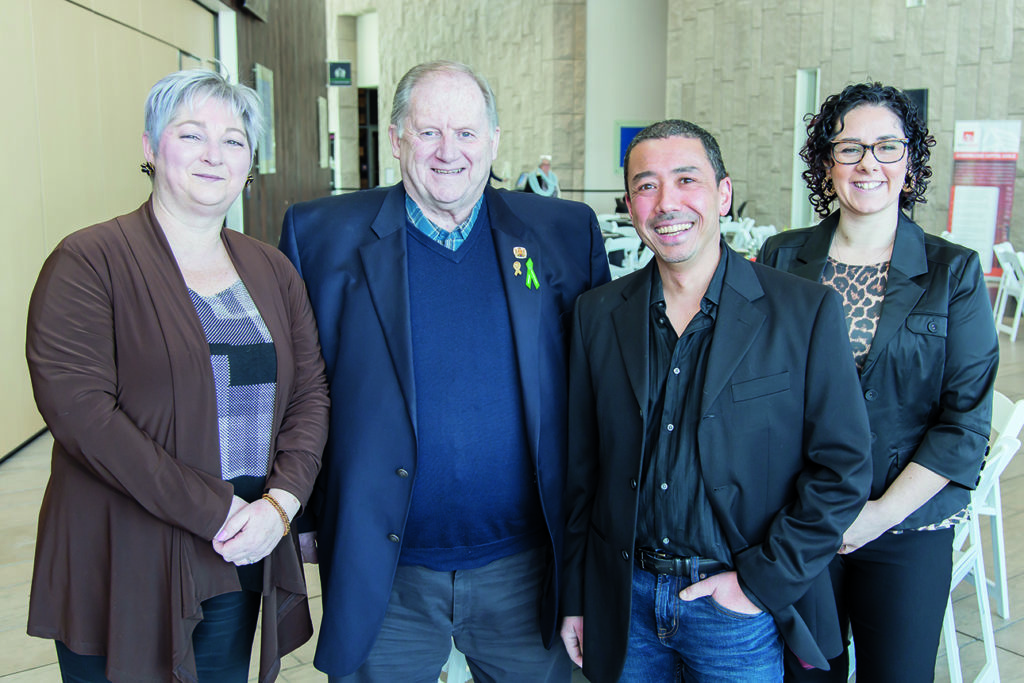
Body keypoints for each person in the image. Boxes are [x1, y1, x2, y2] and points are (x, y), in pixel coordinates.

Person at [279, 60, 610, 682]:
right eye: (428, 132)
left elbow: (598, 395)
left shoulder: (563, 234)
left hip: (526, 568)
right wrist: (303, 512)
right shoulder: (320, 236)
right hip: (386, 571)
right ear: (398, 139)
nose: (448, 152)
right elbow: (300, 389)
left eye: (466, 132)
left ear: (494, 140)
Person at [25, 69, 329, 682]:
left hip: (240, 548)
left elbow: (309, 395)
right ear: (150, 148)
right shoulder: (88, 261)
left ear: (250, 162)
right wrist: (216, 511)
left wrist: (281, 504)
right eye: (191, 135)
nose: (214, 156)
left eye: (234, 141)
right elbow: (84, 415)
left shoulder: (271, 269)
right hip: (123, 554)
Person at [559, 119, 874, 682]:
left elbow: (844, 467)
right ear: (629, 203)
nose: (666, 203)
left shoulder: (804, 313)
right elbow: (582, 471)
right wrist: (576, 594)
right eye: (646, 185)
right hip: (624, 602)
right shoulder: (596, 315)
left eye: (687, 180)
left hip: (736, 606)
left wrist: (758, 584)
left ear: (723, 195)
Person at [758, 83, 999, 682]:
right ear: (825, 163)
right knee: (805, 675)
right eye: (850, 148)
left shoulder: (954, 272)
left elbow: (964, 425)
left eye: (888, 147)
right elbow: (756, 393)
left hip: (908, 522)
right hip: (801, 519)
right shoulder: (781, 259)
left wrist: (875, 516)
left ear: (911, 162)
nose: (869, 163)